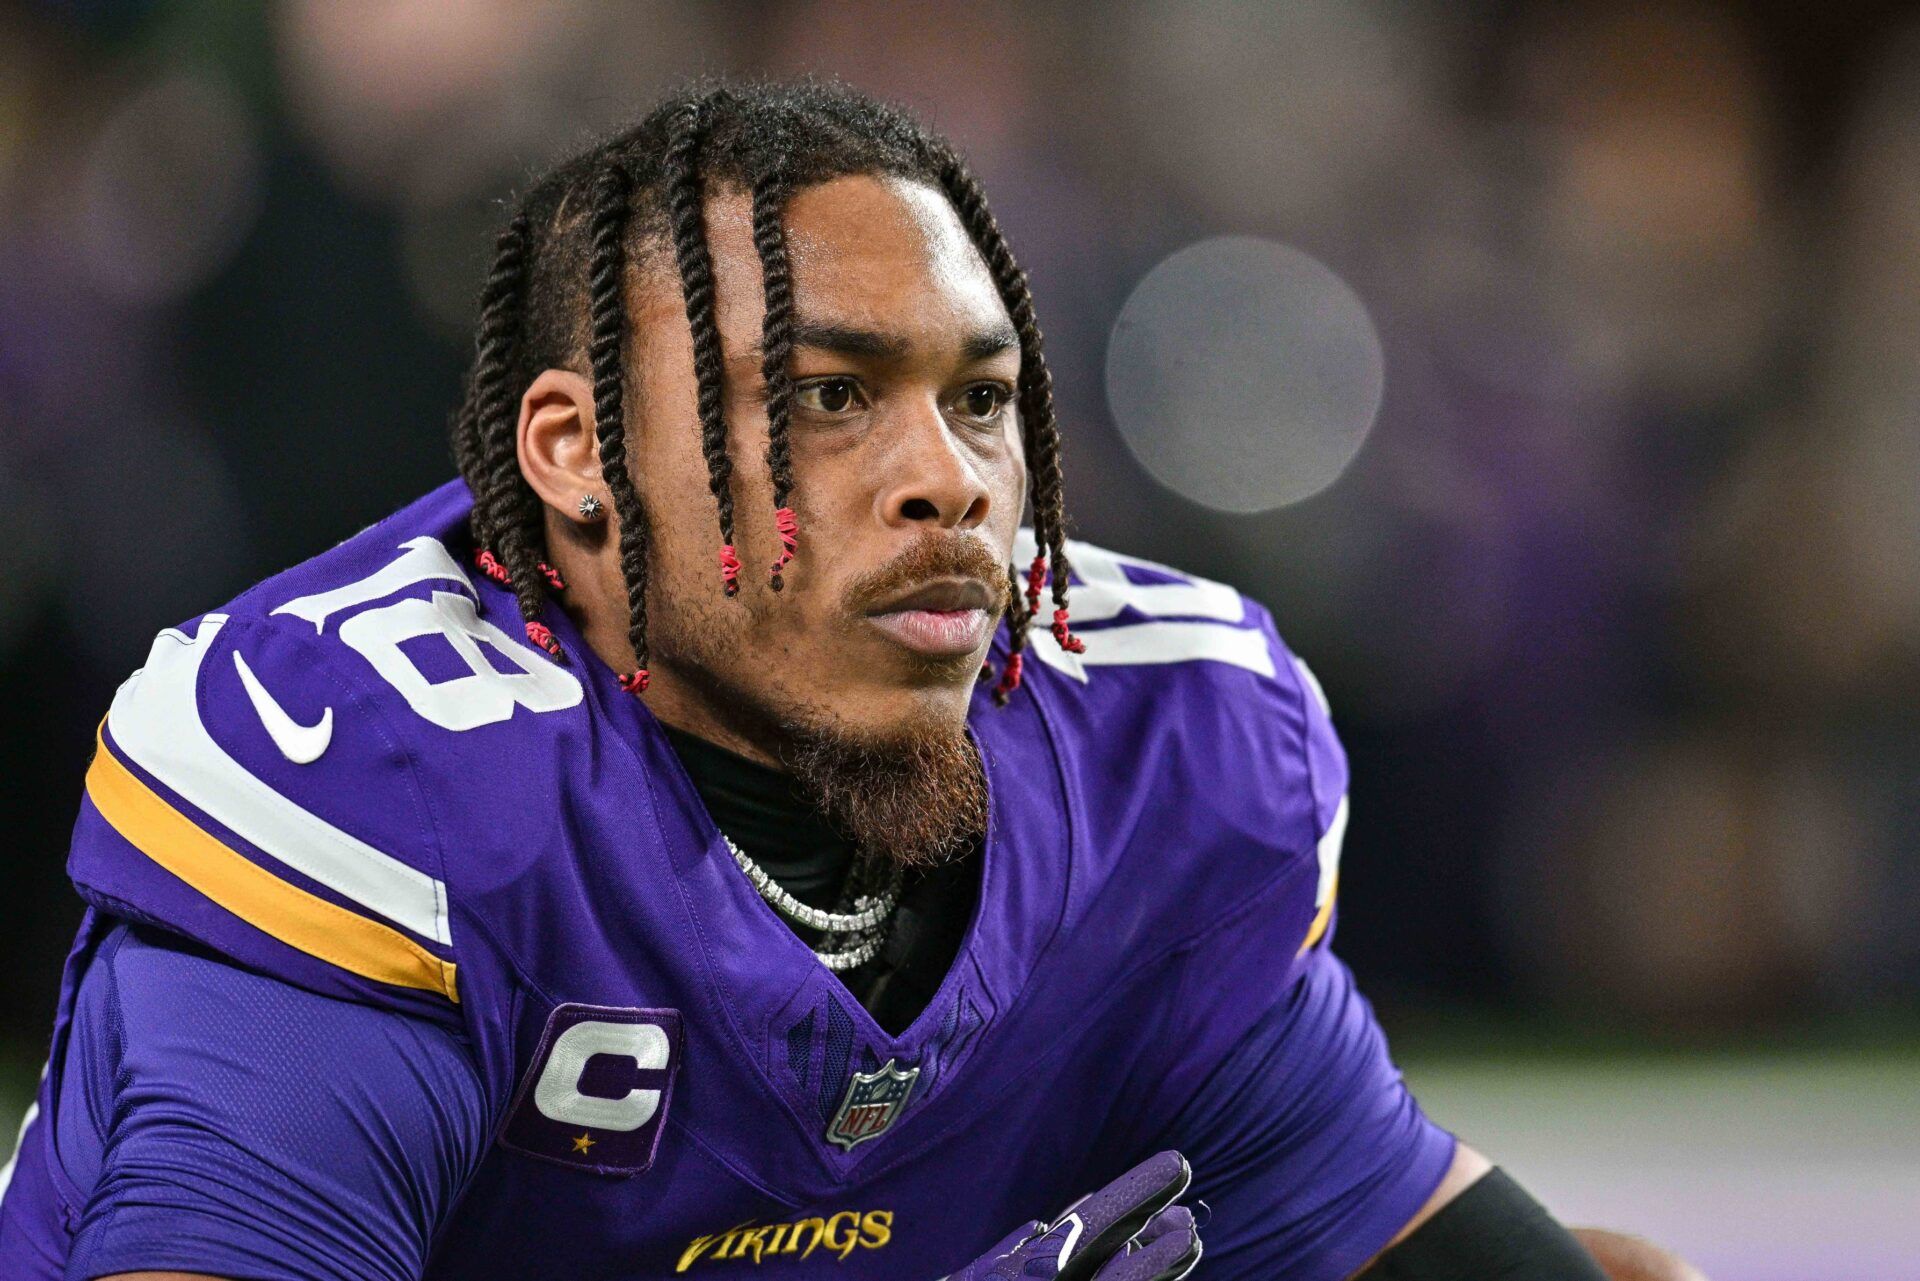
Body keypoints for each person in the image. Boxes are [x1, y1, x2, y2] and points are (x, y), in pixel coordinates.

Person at [0, 80, 1699, 1281]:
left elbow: (1431, 1242)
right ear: (582, 456)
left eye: (980, 400)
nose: (949, 478)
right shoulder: (385, 785)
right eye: (827, 395)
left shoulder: (1153, 756)